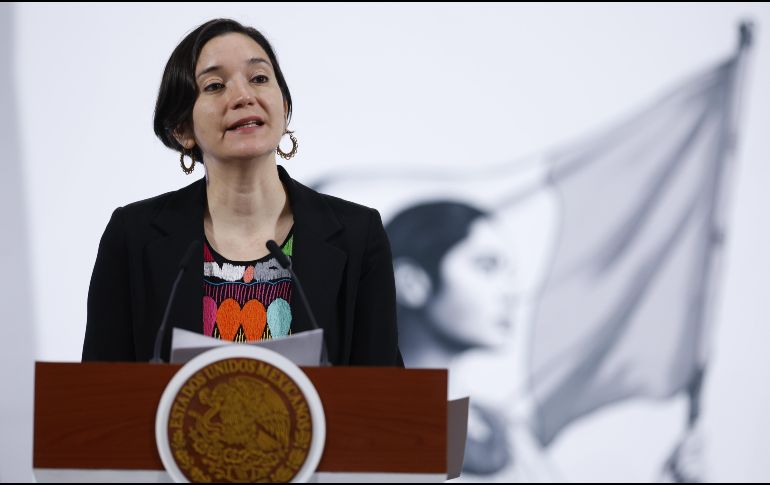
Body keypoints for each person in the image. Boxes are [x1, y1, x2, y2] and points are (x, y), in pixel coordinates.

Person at [82, 18, 402, 366]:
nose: (244, 96)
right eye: (216, 85)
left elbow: (383, 396)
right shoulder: (133, 235)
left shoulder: (357, 233)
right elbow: (99, 396)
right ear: (181, 129)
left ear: (284, 107)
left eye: (260, 79)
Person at [387, 200, 560, 481]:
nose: (511, 291)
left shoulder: (506, 433)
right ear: (410, 282)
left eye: (509, 273)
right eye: (486, 267)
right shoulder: (348, 425)